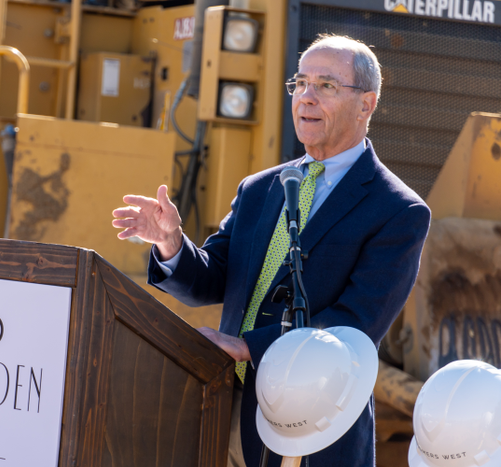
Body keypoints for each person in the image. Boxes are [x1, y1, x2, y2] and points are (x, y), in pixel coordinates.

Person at [112, 34, 430, 467]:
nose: (306, 97)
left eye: (326, 86)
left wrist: (250, 346)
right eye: (300, 84)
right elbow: (211, 279)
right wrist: (170, 242)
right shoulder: (261, 188)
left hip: (312, 428)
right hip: (224, 407)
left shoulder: (398, 210)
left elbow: (354, 327)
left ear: (367, 104)